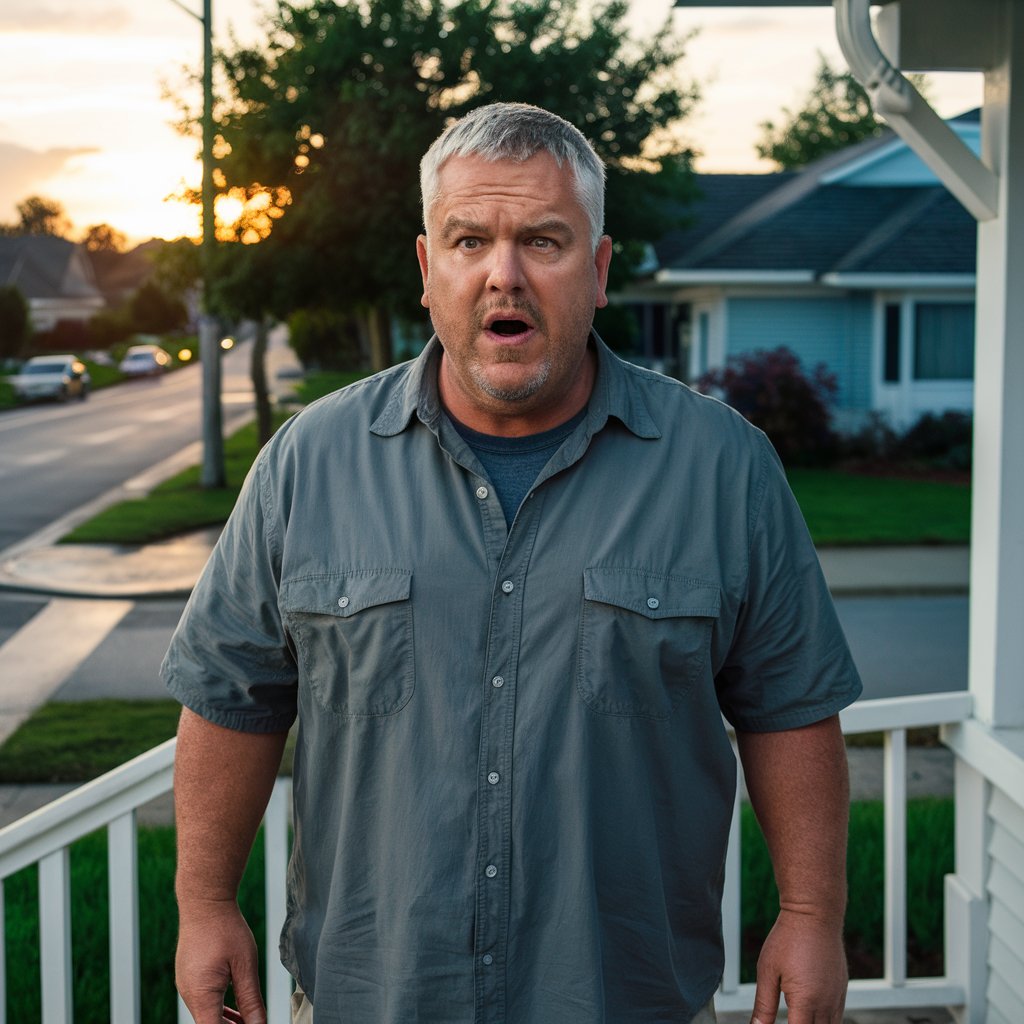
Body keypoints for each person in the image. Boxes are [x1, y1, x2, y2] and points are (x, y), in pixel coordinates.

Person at [164, 102, 862, 1024]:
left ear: (601, 269)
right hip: (370, 998)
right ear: (427, 269)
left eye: (544, 240)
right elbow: (228, 697)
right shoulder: (309, 463)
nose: (504, 276)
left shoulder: (724, 468)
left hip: (625, 1001)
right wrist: (205, 905)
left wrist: (812, 914)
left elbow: (790, 707)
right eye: (468, 241)